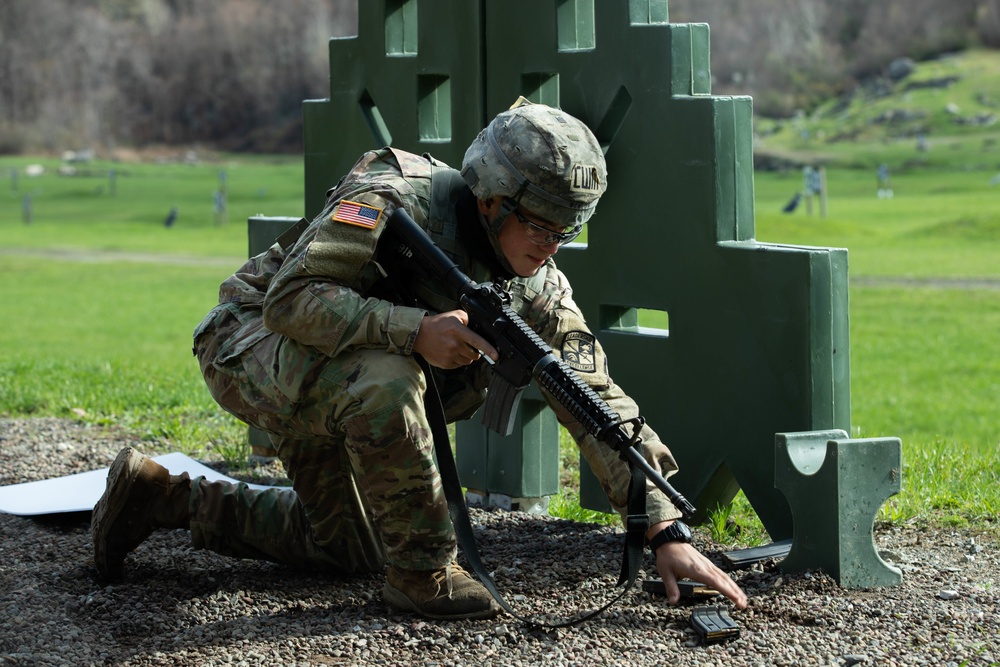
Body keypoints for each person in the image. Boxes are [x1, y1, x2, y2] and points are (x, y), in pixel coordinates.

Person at [92, 99, 748, 620]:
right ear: (492, 199)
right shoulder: (393, 195)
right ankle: (423, 575)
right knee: (388, 375)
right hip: (252, 343)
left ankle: (160, 497)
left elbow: (594, 392)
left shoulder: (538, 287)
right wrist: (414, 329)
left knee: (348, 547)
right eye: (540, 225)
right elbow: (289, 299)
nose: (551, 246)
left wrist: (662, 527)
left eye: (565, 231)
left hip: (339, 379)